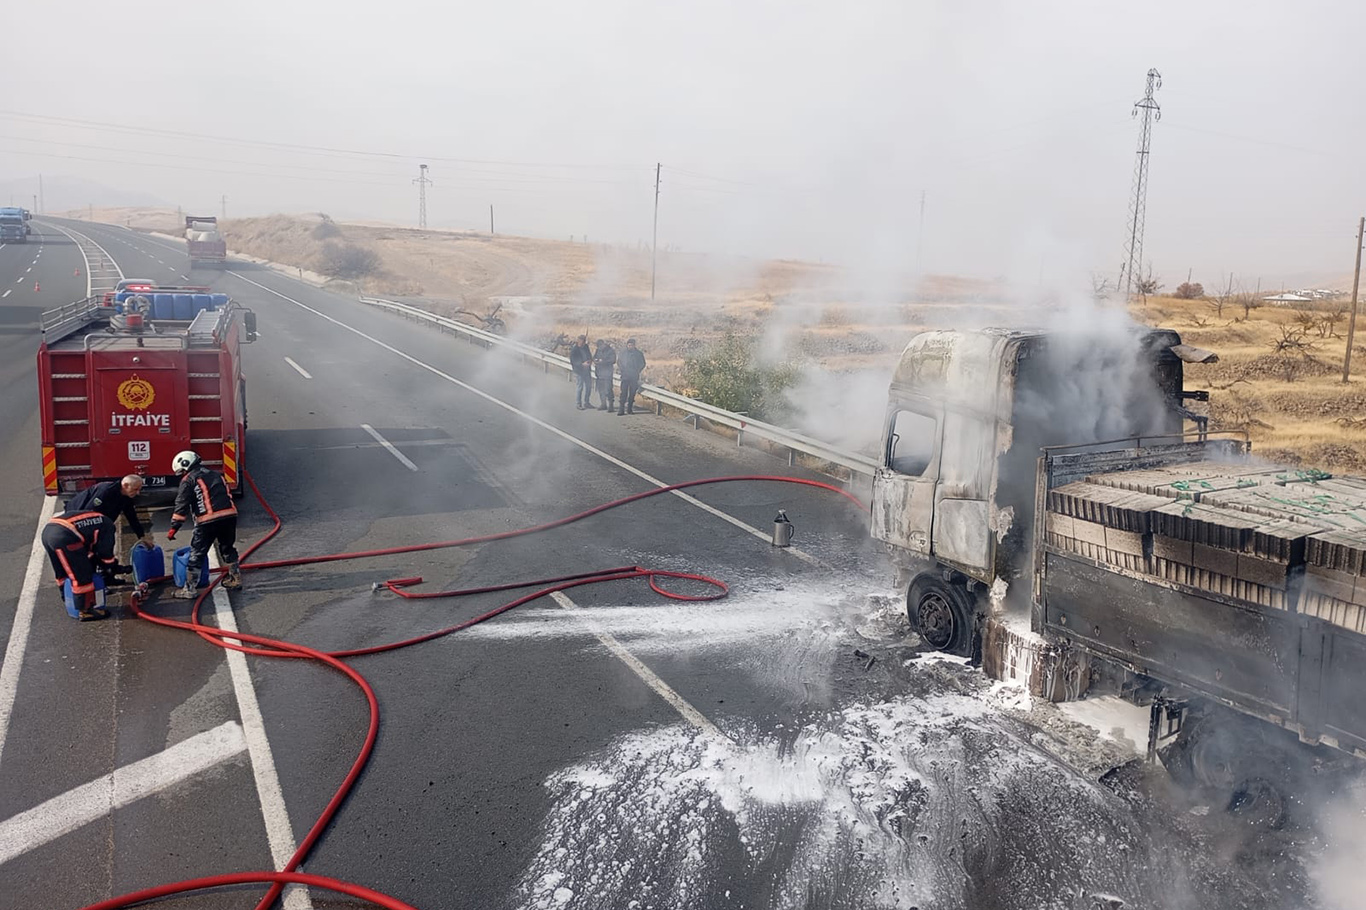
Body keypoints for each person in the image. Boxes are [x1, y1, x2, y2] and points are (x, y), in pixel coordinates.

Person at [166, 450, 241, 598]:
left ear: (185, 466)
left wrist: (174, 527)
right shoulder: (216, 474)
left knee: (197, 554)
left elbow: (182, 504)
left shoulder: (189, 480)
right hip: (229, 516)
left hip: (207, 520)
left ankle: (189, 589)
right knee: (227, 548)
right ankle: (235, 578)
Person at [42, 509, 129, 620]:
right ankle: (86, 611)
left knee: (62, 569)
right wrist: (112, 567)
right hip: (65, 537)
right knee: (82, 574)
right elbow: (105, 554)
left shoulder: (97, 519)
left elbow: (89, 552)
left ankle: (67, 597)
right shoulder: (108, 527)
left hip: (49, 531)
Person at [65, 474, 155, 548]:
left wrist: (142, 537)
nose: (138, 493)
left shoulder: (127, 496)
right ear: (125, 485)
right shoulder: (105, 492)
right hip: (76, 517)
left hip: (99, 519)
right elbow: (89, 512)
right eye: (135, 489)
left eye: (139, 489)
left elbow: (132, 517)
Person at [617, 338, 646, 416]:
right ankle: (621, 409)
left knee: (632, 393)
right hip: (625, 376)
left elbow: (643, 363)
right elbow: (619, 362)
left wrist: (637, 370)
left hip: (634, 376)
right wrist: (622, 370)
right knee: (623, 393)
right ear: (627, 345)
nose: (630, 346)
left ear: (634, 345)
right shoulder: (623, 353)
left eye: (631, 345)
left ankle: (629, 409)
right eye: (629, 345)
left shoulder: (638, 354)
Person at [568, 334, 593, 410]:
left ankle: (587, 402)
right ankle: (578, 403)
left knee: (589, 386)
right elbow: (573, 361)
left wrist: (589, 360)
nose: (583, 342)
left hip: (587, 370)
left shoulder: (586, 347)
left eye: (584, 341)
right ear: (578, 341)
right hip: (579, 371)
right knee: (580, 387)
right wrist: (582, 364)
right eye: (582, 341)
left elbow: (589, 355)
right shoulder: (574, 350)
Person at [593, 339, 617, 412]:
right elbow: (594, 357)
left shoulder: (610, 351)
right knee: (601, 390)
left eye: (600, 346)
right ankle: (603, 404)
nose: (599, 348)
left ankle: (611, 405)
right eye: (598, 346)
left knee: (608, 389)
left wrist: (603, 361)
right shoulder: (598, 350)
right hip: (599, 373)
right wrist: (595, 360)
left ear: (603, 344)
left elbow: (613, 360)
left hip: (607, 374)